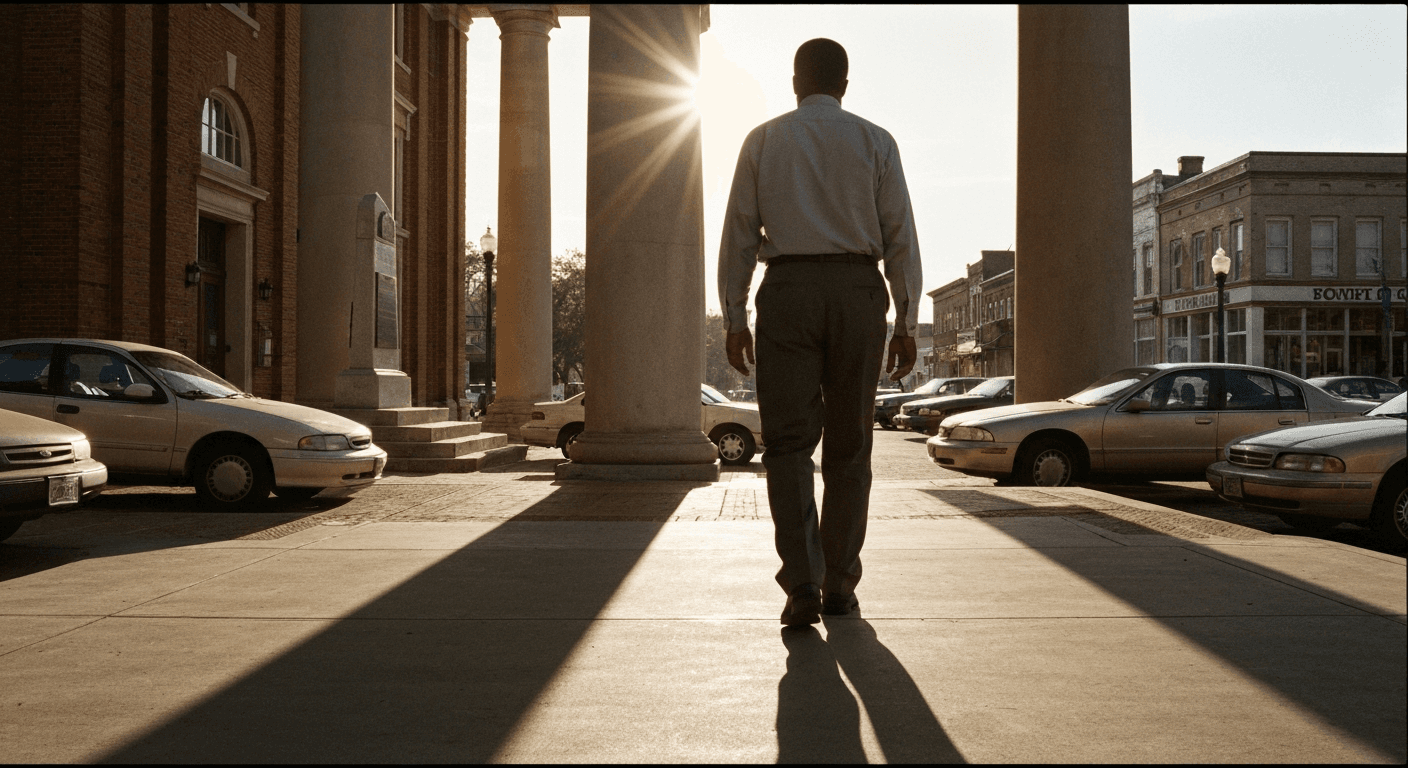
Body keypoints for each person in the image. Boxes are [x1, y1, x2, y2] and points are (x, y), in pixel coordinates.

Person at [717, 38, 921, 627]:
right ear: (846, 84)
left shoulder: (763, 139)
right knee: (851, 444)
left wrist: (734, 317)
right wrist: (905, 321)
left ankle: (801, 583)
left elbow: (738, 233)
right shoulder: (876, 140)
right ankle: (840, 583)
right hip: (859, 290)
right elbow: (900, 234)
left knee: (786, 444)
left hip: (787, 290)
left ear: (795, 82)